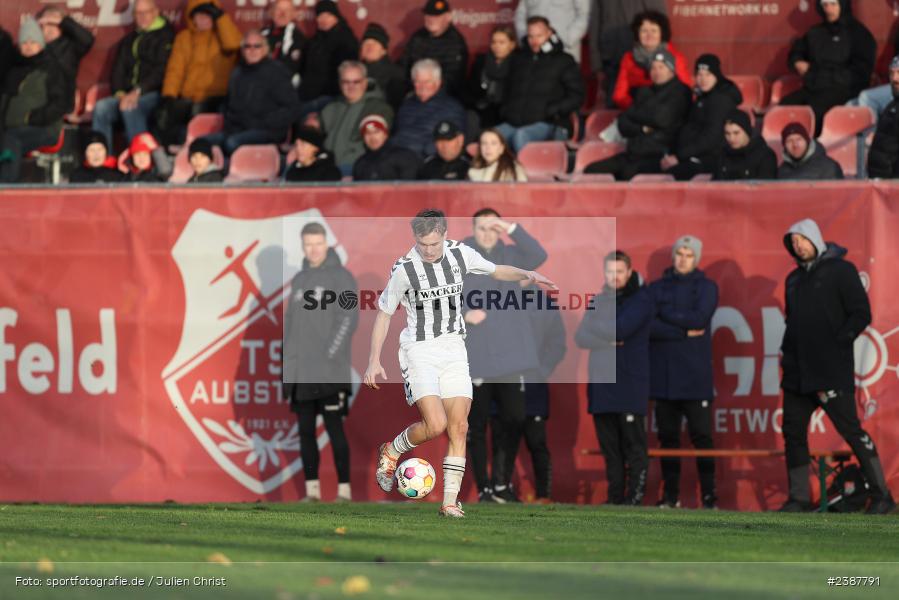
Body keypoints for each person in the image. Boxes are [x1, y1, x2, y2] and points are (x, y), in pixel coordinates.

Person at [364, 209, 556, 518]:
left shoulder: (460, 254)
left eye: (434, 243)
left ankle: (450, 503)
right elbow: (384, 313)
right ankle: (393, 449)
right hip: (420, 350)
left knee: (460, 426)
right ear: (415, 238)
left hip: (454, 349)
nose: (429, 250)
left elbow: (496, 271)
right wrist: (374, 360)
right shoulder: (404, 269)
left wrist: (528, 274)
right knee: (435, 425)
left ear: (444, 235)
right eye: (423, 244)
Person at [778, 219, 896, 515]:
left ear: (815, 239)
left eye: (802, 239)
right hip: (796, 374)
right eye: (793, 242)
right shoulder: (793, 279)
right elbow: (792, 322)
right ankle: (798, 498)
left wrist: (839, 340)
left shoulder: (841, 270)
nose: (798, 246)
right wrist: (786, 352)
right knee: (793, 432)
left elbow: (861, 313)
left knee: (850, 429)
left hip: (830, 370)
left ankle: (882, 496)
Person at [461, 210, 548, 503]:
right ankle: (484, 488)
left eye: (493, 228)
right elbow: (440, 296)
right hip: (477, 355)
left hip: (511, 357)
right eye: (482, 228)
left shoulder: (512, 255)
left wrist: (511, 227)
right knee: (476, 426)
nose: (487, 233)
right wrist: (464, 314)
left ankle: (501, 483)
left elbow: (538, 254)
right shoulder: (460, 258)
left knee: (514, 419)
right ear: (473, 229)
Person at [283, 222, 358, 502]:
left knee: (334, 427)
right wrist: (288, 365)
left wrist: (329, 355)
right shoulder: (299, 280)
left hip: (329, 371)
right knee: (305, 431)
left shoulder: (342, 277)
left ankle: (344, 492)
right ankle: (311, 492)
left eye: (318, 243)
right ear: (302, 247)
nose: (313, 249)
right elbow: (291, 327)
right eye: (308, 244)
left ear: (327, 244)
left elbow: (349, 319)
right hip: (301, 372)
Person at [576, 250, 654, 506]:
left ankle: (635, 498)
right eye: (610, 271)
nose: (615, 276)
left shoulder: (641, 299)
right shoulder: (598, 300)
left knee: (634, 446)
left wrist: (598, 328)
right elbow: (580, 337)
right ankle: (615, 498)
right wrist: (607, 339)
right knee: (610, 449)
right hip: (601, 385)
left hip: (629, 383)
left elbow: (621, 329)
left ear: (629, 272)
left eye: (619, 271)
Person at [649, 236, 719, 509]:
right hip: (664, 378)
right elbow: (649, 325)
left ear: (696, 259)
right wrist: (681, 331)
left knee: (702, 437)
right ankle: (671, 496)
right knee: (668, 439)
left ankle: (709, 496)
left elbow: (700, 318)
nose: (683, 259)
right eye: (680, 253)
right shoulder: (656, 288)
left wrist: (664, 314)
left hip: (695, 377)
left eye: (689, 255)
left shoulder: (707, 287)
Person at [584, 49, 691, 180]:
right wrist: (643, 128)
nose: (657, 72)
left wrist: (636, 115)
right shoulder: (645, 91)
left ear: (671, 70)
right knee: (591, 170)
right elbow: (623, 123)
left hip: (660, 155)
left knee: (627, 174)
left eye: (661, 67)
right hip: (634, 152)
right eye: (653, 68)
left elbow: (661, 119)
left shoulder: (680, 91)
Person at [781, 0, 875, 136]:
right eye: (825, 5)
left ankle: (815, 146)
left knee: (816, 109)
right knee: (785, 107)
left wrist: (828, 77)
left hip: (844, 89)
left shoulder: (858, 34)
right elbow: (797, 52)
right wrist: (798, 62)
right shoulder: (815, 32)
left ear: (842, 5)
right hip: (813, 87)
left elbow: (862, 71)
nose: (828, 9)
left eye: (833, 4)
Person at [156, 0, 242, 147]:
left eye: (209, 15)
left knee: (198, 112)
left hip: (217, 96)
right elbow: (175, 69)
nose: (204, 19)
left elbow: (234, 44)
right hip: (189, 96)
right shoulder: (184, 37)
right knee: (166, 117)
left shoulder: (223, 35)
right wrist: (169, 95)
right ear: (192, 18)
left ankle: (200, 151)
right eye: (199, 15)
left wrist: (221, 18)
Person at [92, 0, 175, 152]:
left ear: (155, 12)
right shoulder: (129, 39)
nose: (141, 17)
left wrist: (138, 91)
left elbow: (162, 71)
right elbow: (118, 69)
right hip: (127, 95)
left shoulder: (167, 36)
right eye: (137, 13)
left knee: (131, 107)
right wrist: (120, 93)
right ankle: (103, 159)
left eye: (145, 12)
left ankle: (139, 158)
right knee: (101, 108)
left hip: (154, 95)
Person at [200, 31, 298, 155]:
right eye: (247, 46)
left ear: (265, 49)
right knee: (200, 144)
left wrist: (264, 122)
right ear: (242, 50)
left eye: (257, 46)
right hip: (237, 129)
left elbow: (292, 108)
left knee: (232, 143)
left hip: (268, 130)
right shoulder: (237, 72)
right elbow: (228, 104)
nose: (252, 50)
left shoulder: (277, 72)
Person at [496, 17, 585, 153]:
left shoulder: (564, 61)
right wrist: (506, 110)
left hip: (548, 123)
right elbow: (506, 90)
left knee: (521, 136)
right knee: (490, 137)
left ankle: (525, 168)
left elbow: (577, 96)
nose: (534, 41)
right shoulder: (518, 59)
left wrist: (553, 110)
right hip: (514, 122)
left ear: (549, 33)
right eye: (531, 36)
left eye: (539, 36)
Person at [0, 18, 67, 184]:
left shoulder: (52, 69)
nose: (28, 46)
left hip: (44, 128)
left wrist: (30, 117)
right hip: (10, 128)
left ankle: (6, 187)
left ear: (41, 44)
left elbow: (60, 104)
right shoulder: (14, 69)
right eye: (24, 42)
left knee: (11, 140)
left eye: (33, 42)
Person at [662, 54, 742, 181]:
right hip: (693, 155)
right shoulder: (703, 97)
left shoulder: (720, 99)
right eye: (699, 74)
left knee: (671, 175)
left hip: (711, 159)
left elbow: (711, 137)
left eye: (708, 74)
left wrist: (679, 156)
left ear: (716, 76)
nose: (703, 79)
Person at [589, 0, 668, 107]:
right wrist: (597, 65)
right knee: (612, 105)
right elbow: (595, 24)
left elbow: (660, 21)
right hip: (611, 61)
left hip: (640, 62)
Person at [321, 60, 394, 174]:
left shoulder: (378, 108)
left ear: (365, 83)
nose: (351, 86)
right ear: (340, 84)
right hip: (327, 168)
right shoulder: (330, 108)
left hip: (356, 169)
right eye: (346, 82)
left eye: (356, 82)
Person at [611, 10, 691, 110]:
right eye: (644, 31)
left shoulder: (675, 57)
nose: (649, 35)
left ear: (662, 33)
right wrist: (637, 108)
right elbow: (619, 95)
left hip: (666, 110)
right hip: (637, 108)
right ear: (637, 33)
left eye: (654, 31)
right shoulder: (628, 58)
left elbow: (685, 91)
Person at [297, 0, 359, 121]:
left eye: (328, 15)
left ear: (336, 17)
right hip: (307, 97)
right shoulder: (313, 42)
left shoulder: (347, 40)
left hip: (332, 98)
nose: (323, 19)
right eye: (320, 16)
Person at [391, 59, 465, 158]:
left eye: (427, 82)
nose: (422, 86)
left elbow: (451, 145)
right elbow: (395, 134)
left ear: (438, 83)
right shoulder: (406, 105)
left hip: (423, 160)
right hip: (395, 156)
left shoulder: (452, 109)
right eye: (418, 82)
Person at [401, 0, 469, 101]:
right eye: (428, 15)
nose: (432, 19)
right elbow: (404, 65)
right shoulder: (418, 37)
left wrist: (426, 92)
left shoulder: (456, 42)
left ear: (448, 17)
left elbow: (453, 80)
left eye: (437, 16)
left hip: (444, 99)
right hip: (415, 93)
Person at [35, 6, 94, 114]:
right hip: (36, 104)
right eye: (47, 24)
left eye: (54, 23)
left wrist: (62, 21)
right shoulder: (32, 47)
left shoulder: (71, 46)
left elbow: (87, 39)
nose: (50, 29)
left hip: (61, 106)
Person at [466, 25, 516, 129]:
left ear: (512, 45)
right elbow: (470, 89)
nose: (497, 46)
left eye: (502, 42)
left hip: (508, 113)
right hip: (482, 109)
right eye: (494, 42)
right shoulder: (481, 62)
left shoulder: (519, 64)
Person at [515, 0, 589, 63]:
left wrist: (567, 39)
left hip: (566, 50)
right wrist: (525, 39)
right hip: (534, 53)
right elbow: (520, 14)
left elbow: (585, 15)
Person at [712, 109, 777, 181]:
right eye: (727, 133)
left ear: (746, 131)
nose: (731, 138)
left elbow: (766, 185)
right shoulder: (722, 155)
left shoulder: (765, 156)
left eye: (736, 133)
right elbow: (716, 183)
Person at [352, 114, 421, 181]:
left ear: (385, 134)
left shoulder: (404, 156)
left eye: (376, 132)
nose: (372, 137)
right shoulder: (360, 164)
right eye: (367, 133)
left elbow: (410, 185)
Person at [359, 23, 406, 112]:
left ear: (383, 50)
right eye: (366, 43)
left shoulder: (395, 74)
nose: (370, 47)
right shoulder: (353, 71)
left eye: (375, 43)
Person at [866, 56, 899, 178]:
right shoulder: (892, 106)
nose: (895, 78)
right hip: (880, 182)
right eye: (891, 73)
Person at [261, 0, 306, 89]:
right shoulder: (261, 35)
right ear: (271, 12)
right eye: (279, 10)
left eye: (287, 10)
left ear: (293, 14)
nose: (282, 14)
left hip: (284, 88)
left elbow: (291, 69)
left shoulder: (298, 39)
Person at [778, 122, 843, 180]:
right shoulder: (781, 171)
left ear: (807, 142)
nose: (795, 145)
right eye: (789, 141)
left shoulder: (829, 167)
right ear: (784, 146)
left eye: (799, 139)